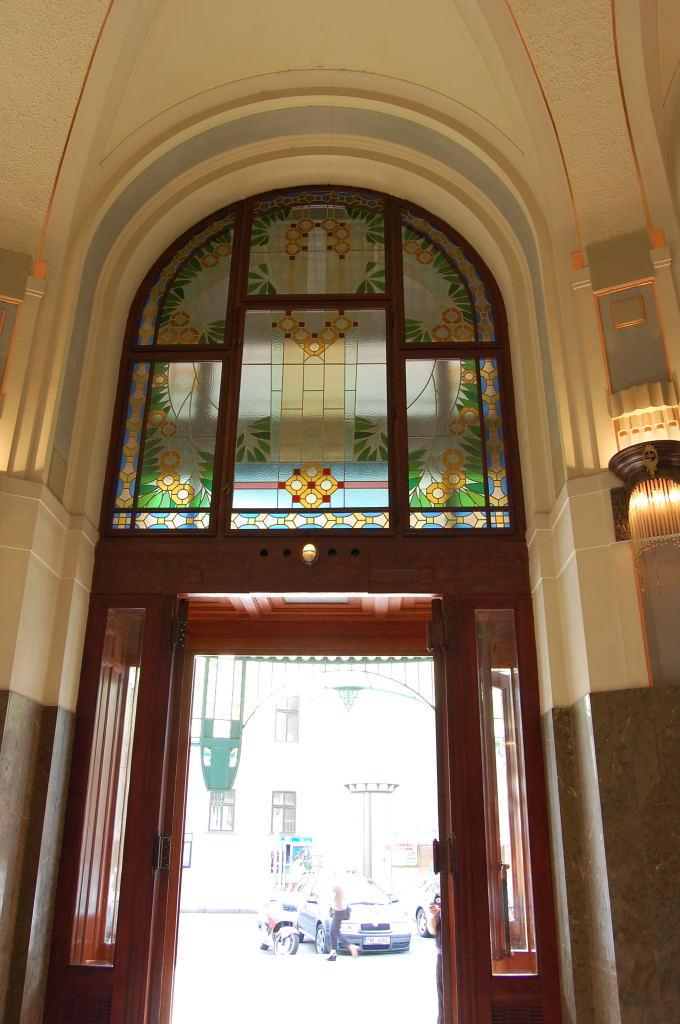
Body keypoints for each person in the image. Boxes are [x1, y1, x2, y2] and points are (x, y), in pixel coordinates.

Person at [326, 883, 359, 961]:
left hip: (338, 913)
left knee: (335, 932)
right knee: (332, 932)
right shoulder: (341, 895)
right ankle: (333, 952)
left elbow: (333, 908)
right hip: (342, 912)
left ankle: (350, 946)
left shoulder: (335, 897)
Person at [428, 896, 443, 1024]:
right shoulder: (438, 898)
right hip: (441, 955)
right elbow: (432, 929)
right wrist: (434, 915)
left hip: (454, 955)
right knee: (442, 993)